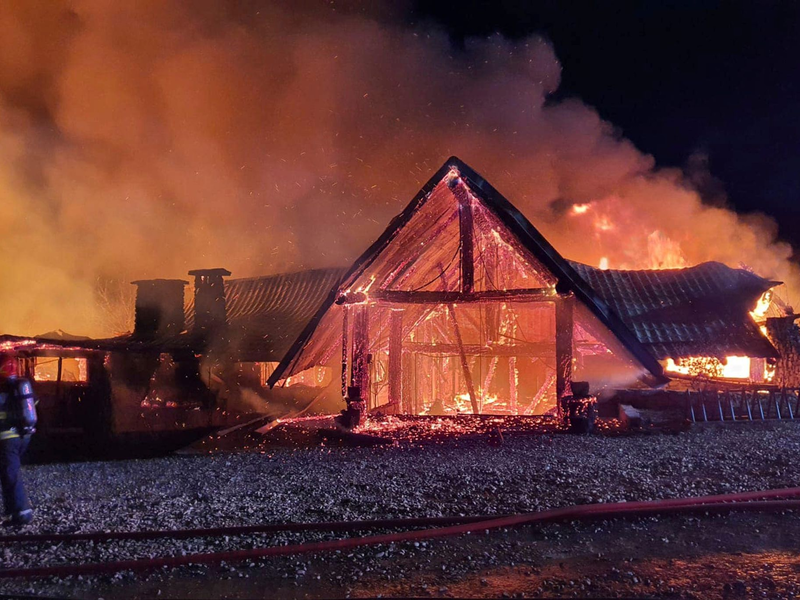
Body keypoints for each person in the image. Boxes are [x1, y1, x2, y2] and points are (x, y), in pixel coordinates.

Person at [0, 354, 35, 526]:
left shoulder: (3, 390)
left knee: (10, 475)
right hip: (23, 436)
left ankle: (22, 514)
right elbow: (33, 403)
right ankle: (13, 513)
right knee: (8, 474)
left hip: (7, 439)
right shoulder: (21, 387)